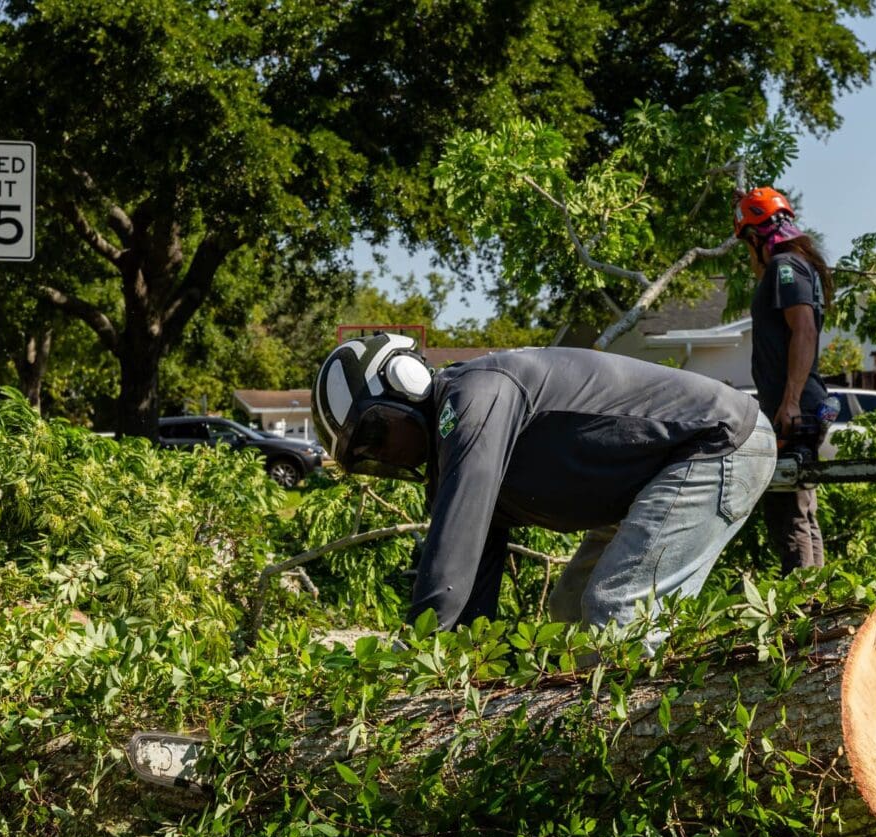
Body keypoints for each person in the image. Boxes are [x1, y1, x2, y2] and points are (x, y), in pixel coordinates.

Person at [311, 335, 775, 641]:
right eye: (367, 457)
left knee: (616, 610)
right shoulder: (454, 453)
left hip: (716, 443)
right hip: (656, 478)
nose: (384, 454)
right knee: (569, 609)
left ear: (402, 383)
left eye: (376, 434)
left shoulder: (475, 393)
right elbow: (469, 586)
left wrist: (416, 652)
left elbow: (449, 554)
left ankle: (640, 768)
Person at [735, 186, 836, 573]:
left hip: (795, 406)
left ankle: (802, 608)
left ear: (758, 236)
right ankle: (817, 600)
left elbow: (804, 331)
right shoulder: (797, 264)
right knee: (801, 506)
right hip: (800, 404)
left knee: (786, 510)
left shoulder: (785, 267)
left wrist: (790, 400)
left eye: (747, 241)